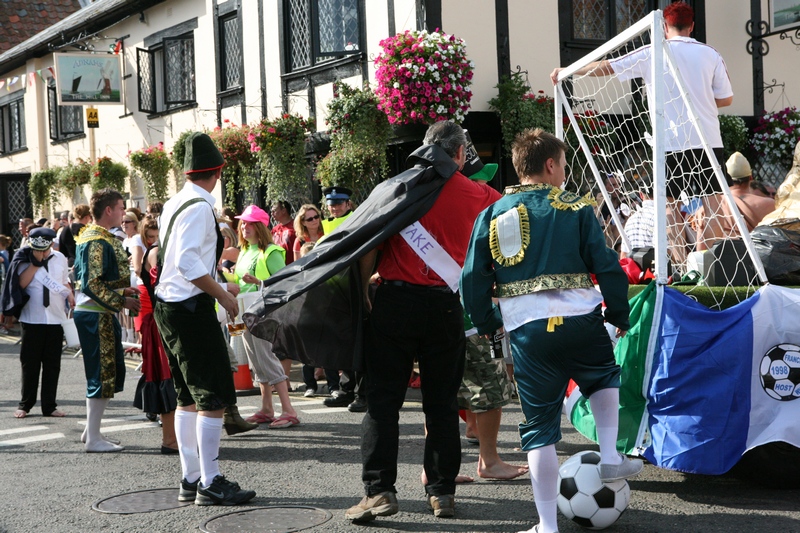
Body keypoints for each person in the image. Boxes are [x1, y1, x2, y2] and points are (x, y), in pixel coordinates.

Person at [460, 129, 642, 533]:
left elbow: (471, 278)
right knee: (603, 376)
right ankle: (610, 451)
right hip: (581, 318)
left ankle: (546, 525)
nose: (565, 171)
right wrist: (617, 312)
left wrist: (489, 323)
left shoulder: (493, 211)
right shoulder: (577, 206)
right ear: (549, 165)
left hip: (527, 330)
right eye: (563, 164)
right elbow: (607, 264)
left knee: (540, 428)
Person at [345, 121, 501, 522]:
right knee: (442, 406)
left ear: (425, 149)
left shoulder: (399, 186)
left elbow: (369, 242)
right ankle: (442, 493)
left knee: (382, 403)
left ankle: (379, 492)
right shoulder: (482, 195)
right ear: (460, 155)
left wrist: (363, 290)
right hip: (446, 307)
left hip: (395, 303)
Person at [551, 1, 734, 257]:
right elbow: (726, 99)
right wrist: (698, 98)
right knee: (713, 203)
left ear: (663, 26)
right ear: (692, 26)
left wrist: (569, 71)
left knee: (669, 205)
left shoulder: (653, 52)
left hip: (670, 142)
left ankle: (681, 267)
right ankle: (711, 267)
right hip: (707, 140)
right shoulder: (711, 54)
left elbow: (608, 66)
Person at [153, 132, 255, 506]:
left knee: (186, 396)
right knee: (211, 396)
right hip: (191, 308)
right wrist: (224, 295)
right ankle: (209, 481)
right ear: (218, 171)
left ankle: (190, 477)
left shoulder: (174, 202)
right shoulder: (199, 207)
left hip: (169, 306)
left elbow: (171, 260)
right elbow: (187, 263)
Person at [73, 189, 141, 452]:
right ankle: (94, 438)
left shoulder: (96, 236)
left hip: (97, 312)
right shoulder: (96, 240)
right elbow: (91, 284)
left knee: (106, 372)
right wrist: (122, 301)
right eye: (121, 207)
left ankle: (92, 431)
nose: (124, 212)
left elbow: (98, 280)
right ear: (109, 210)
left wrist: (123, 292)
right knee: (101, 374)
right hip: (94, 314)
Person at [231, 204, 300, 429]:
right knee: (256, 361)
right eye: (243, 223)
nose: (244, 227)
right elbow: (240, 282)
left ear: (261, 227)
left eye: (250, 224)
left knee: (267, 359)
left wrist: (259, 283)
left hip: (263, 313)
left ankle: (288, 410)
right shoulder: (244, 251)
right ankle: (267, 409)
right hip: (245, 312)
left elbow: (283, 284)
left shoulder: (270, 251)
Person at [5, 228, 73, 418]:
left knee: (52, 364)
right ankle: (25, 404)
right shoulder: (24, 257)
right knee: (30, 363)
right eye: (38, 248)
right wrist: (36, 263)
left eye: (45, 248)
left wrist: (71, 295)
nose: (42, 252)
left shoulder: (59, 258)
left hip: (55, 317)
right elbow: (20, 284)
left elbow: (64, 281)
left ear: (52, 244)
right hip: (32, 318)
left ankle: (49, 406)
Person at [132, 225, 179, 454]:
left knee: (173, 379)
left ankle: (176, 439)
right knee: (168, 378)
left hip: (164, 322)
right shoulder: (156, 252)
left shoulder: (164, 250)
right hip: (161, 324)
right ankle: (170, 440)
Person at [723, 152, 775, 230]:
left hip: (721, 242)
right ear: (751, 178)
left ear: (725, 179)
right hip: (754, 242)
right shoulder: (771, 205)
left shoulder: (711, 207)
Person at [270, 200, 297, 266]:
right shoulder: (274, 230)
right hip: (279, 267)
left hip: (293, 266)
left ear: (283, 211)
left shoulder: (296, 226)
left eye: (274, 211)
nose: (272, 213)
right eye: (271, 211)